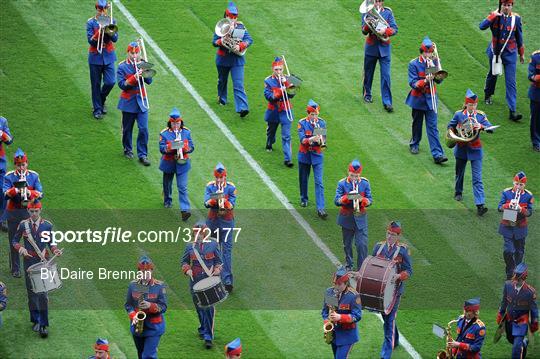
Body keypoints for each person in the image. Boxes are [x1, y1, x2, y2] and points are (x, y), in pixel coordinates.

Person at [11, 201, 62, 338]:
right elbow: (14, 241)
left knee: (43, 294)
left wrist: (55, 250)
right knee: (32, 292)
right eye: (31, 211)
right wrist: (21, 249)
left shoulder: (47, 225)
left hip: (42, 262)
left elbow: (51, 242)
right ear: (28, 211)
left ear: (40, 211)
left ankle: (43, 324)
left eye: (36, 211)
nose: (34, 214)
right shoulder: (23, 225)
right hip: (28, 262)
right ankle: (35, 320)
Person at [447, 89, 494, 216]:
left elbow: (490, 128)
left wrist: (482, 126)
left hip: (475, 150)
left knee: (477, 178)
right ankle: (458, 192)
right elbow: (450, 126)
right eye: (470, 104)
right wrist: (454, 134)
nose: (473, 107)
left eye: (474, 104)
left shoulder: (480, 115)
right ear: (466, 104)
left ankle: (480, 204)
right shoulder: (459, 115)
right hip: (461, 148)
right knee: (459, 173)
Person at [371, 221, 412, 358]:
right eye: (388, 233)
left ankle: (385, 355)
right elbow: (372, 266)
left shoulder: (403, 250)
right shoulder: (378, 247)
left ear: (398, 236)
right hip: (380, 292)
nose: (389, 237)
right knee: (386, 317)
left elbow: (409, 271)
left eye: (393, 235)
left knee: (388, 322)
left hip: (395, 292)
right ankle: (396, 340)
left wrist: (399, 276)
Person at [479, 0, 524, 121]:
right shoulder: (494, 16)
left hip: (510, 53)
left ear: (512, 6)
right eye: (504, 5)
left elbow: (519, 37)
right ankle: (488, 94)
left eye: (508, 5)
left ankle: (512, 110)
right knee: (492, 75)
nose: (506, 7)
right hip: (495, 52)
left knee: (511, 82)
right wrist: (492, 15)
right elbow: (481, 26)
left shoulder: (516, 19)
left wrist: (521, 53)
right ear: (501, 5)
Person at [405, 36, 447, 164]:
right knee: (417, 124)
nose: (429, 54)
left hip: (431, 99)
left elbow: (439, 81)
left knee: (433, 127)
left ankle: (437, 154)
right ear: (422, 52)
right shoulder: (414, 64)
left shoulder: (434, 62)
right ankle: (414, 144)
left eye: (430, 52)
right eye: (427, 52)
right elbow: (413, 83)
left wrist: (438, 74)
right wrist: (425, 81)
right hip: (418, 100)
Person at [181, 222, 223, 349]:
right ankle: (203, 328)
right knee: (199, 307)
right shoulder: (190, 247)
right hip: (195, 281)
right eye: (195, 233)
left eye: (199, 233)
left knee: (208, 308)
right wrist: (187, 269)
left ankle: (208, 337)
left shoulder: (213, 244)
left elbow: (219, 261)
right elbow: (184, 261)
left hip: (209, 282)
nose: (197, 235)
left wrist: (217, 269)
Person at [3, 148, 42, 278]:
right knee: (14, 240)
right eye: (19, 165)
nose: (21, 167)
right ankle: (15, 268)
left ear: (27, 163)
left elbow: (40, 193)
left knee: (30, 239)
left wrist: (30, 193)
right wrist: (16, 189)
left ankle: (30, 265)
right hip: (13, 213)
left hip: (28, 213)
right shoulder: (9, 176)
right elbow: (5, 194)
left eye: (23, 164)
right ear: (15, 165)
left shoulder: (34, 175)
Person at [212, 2, 253, 118]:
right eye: (231, 17)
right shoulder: (221, 26)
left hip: (237, 61)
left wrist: (241, 46)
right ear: (226, 16)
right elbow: (214, 42)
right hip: (223, 60)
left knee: (238, 84)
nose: (233, 20)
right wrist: (219, 41)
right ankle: (222, 98)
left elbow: (249, 39)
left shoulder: (240, 26)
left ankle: (242, 108)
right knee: (222, 80)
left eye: (235, 17)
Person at [117, 41, 152, 166]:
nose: (135, 55)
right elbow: (122, 85)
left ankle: (142, 154)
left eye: (136, 53)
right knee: (127, 129)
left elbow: (149, 81)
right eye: (132, 53)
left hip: (142, 101)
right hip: (128, 102)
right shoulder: (122, 67)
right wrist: (134, 77)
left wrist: (146, 70)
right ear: (128, 53)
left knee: (143, 129)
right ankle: (128, 149)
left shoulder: (142, 63)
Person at [125, 256, 167, 359]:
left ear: (151, 271)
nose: (145, 274)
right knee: (141, 354)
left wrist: (150, 306)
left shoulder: (159, 286)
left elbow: (163, 306)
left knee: (148, 356)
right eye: (142, 272)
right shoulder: (133, 285)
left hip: (154, 327)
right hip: (137, 327)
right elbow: (128, 305)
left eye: (147, 271)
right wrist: (133, 316)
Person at [361, 0, 398, 112]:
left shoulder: (388, 12)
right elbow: (363, 31)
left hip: (385, 50)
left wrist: (385, 31)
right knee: (368, 73)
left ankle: (387, 102)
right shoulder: (367, 13)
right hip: (371, 48)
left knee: (386, 76)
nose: (377, 3)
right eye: (375, 1)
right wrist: (368, 24)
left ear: (382, 2)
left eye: (379, 1)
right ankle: (367, 94)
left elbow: (395, 29)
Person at [204, 163, 237, 292]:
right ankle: (211, 277)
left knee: (227, 251)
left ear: (225, 176)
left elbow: (232, 204)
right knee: (212, 248)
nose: (218, 180)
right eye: (217, 177)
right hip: (213, 221)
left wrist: (225, 201)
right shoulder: (210, 186)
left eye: (221, 177)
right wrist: (215, 199)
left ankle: (227, 280)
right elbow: (206, 202)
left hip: (227, 221)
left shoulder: (231, 188)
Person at [335, 160, 372, 271]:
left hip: (360, 218)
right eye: (352, 175)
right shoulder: (342, 183)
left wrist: (364, 200)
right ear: (348, 172)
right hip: (347, 218)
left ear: (359, 174)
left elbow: (370, 200)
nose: (354, 178)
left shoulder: (365, 183)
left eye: (356, 176)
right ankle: (349, 264)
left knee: (362, 245)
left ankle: (362, 268)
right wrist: (346, 198)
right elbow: (336, 201)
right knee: (347, 244)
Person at [158, 107, 194, 221]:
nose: (176, 126)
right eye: (173, 124)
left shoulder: (186, 132)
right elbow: (162, 148)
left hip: (182, 164)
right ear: (170, 123)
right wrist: (172, 146)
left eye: (177, 123)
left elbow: (192, 146)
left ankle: (185, 210)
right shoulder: (164, 134)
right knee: (167, 184)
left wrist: (186, 148)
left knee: (182, 187)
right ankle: (167, 199)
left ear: (181, 122)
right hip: (169, 163)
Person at [497, 263, 538, 358]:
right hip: (509, 320)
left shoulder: (530, 292)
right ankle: (524, 343)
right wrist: (501, 313)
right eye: (515, 278)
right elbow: (504, 302)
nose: (515, 280)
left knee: (516, 347)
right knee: (511, 339)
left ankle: (519, 346)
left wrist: (534, 323)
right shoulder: (507, 285)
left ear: (524, 278)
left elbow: (534, 309)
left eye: (518, 279)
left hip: (521, 323)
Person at [497, 172, 534, 279]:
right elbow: (499, 208)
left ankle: (517, 273)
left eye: (521, 185)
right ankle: (510, 271)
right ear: (514, 182)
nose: (518, 186)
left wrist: (520, 209)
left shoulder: (528, 195)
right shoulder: (506, 193)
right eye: (516, 184)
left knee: (519, 251)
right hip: (507, 225)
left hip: (520, 227)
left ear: (524, 185)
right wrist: (508, 205)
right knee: (508, 250)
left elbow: (529, 213)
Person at [87, 0, 118, 120]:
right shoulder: (91, 23)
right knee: (95, 84)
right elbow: (91, 41)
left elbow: (115, 39)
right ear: (97, 9)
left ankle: (101, 99)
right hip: (95, 57)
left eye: (104, 9)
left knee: (110, 82)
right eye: (100, 9)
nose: (102, 11)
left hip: (109, 56)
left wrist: (108, 29)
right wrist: (99, 32)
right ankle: (97, 109)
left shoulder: (111, 21)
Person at [321, 266, 362, 359]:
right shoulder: (330, 292)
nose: (336, 287)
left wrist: (340, 317)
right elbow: (325, 311)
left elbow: (357, 316)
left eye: (339, 284)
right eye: (335, 284)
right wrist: (326, 321)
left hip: (347, 336)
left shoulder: (353, 296)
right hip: (334, 335)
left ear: (346, 283)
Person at [264, 56, 295, 167]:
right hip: (274, 110)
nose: (278, 72)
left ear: (283, 69)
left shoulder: (287, 78)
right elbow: (269, 97)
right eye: (276, 69)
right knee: (271, 131)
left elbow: (292, 94)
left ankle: (288, 159)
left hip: (286, 109)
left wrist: (286, 83)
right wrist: (280, 91)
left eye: (280, 69)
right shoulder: (268, 81)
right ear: (273, 69)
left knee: (286, 136)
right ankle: (269, 142)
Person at [298, 100, 327, 218]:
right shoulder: (302, 123)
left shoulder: (321, 123)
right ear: (308, 113)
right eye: (312, 114)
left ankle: (321, 208)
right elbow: (302, 140)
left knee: (319, 182)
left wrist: (320, 140)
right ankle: (304, 198)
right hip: (304, 155)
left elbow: (323, 141)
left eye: (316, 114)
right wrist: (312, 139)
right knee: (304, 179)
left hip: (317, 155)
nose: (315, 117)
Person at [0, 116, 13, 230]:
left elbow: (9, 141)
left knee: (3, 191)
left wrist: (2, 135)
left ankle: (2, 219)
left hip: (0, 161)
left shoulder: (2, 121)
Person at [528, 50, 540, 151]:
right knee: (535, 119)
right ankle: (536, 142)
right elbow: (531, 75)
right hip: (537, 94)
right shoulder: (536, 57)